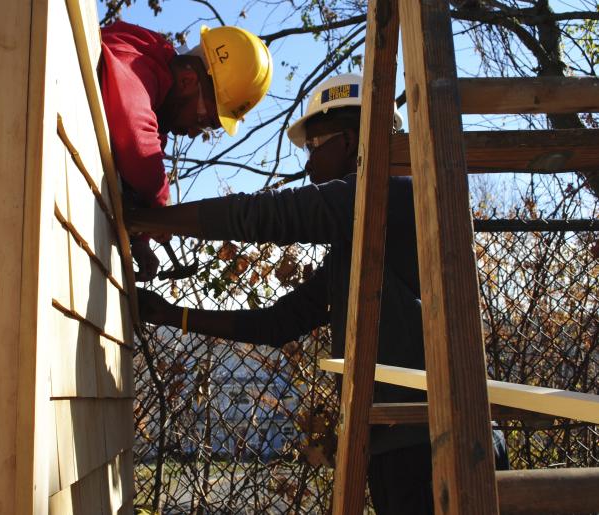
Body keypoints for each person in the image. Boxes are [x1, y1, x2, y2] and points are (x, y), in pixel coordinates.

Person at [125, 73, 508, 514]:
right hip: (398, 445)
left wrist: (151, 219)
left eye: (313, 145)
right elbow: (277, 324)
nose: (307, 164)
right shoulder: (360, 244)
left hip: (436, 442)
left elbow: (271, 216)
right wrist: (170, 314)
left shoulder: (401, 197)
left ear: (347, 141)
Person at [99, 21, 273, 280]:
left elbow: (135, 173)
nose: (193, 133)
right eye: (204, 121)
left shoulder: (159, 102)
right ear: (188, 80)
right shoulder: (140, 56)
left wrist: (141, 238)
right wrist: (161, 204)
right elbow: (134, 139)